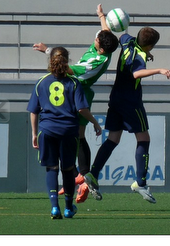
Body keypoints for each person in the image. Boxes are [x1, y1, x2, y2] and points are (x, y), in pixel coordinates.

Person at [32, 4, 118, 203]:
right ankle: (82, 178)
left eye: (97, 40)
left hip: (78, 93)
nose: (95, 38)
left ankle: (83, 175)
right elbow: (106, 32)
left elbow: (68, 69)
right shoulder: (107, 46)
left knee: (76, 136)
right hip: (76, 92)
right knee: (73, 136)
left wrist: (48, 51)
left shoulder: (95, 61)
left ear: (101, 48)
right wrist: (101, 16)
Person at [84, 27, 170, 203]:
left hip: (116, 98)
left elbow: (111, 32)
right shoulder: (140, 55)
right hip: (131, 103)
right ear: (151, 46)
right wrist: (160, 70)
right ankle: (140, 183)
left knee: (113, 139)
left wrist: (102, 16)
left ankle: (93, 174)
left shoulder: (127, 40)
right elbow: (136, 73)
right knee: (144, 139)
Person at [27, 47, 102, 219]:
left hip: (47, 131)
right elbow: (82, 108)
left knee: (51, 168)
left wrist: (34, 133)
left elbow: (33, 111)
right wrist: (95, 122)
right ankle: (68, 207)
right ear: (67, 61)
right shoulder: (73, 83)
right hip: (68, 131)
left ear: (50, 61)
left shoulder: (42, 82)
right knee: (68, 170)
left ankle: (55, 207)